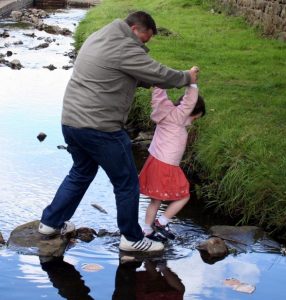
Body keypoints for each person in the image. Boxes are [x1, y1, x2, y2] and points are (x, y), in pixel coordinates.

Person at [37, 10, 199, 253]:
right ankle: (132, 238)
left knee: (81, 172)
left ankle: (50, 223)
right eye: (145, 39)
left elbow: (124, 72)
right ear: (135, 30)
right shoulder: (124, 46)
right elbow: (156, 72)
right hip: (100, 127)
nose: (145, 44)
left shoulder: (100, 36)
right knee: (126, 183)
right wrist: (186, 77)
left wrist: (147, 79)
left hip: (71, 122)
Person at [139, 83, 206, 242]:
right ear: (190, 111)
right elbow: (189, 102)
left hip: (155, 160)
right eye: (196, 117)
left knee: (156, 200)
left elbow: (159, 97)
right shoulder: (178, 116)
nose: (194, 121)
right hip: (166, 164)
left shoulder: (164, 112)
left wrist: (159, 83)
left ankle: (147, 230)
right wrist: (192, 82)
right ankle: (162, 222)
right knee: (184, 195)